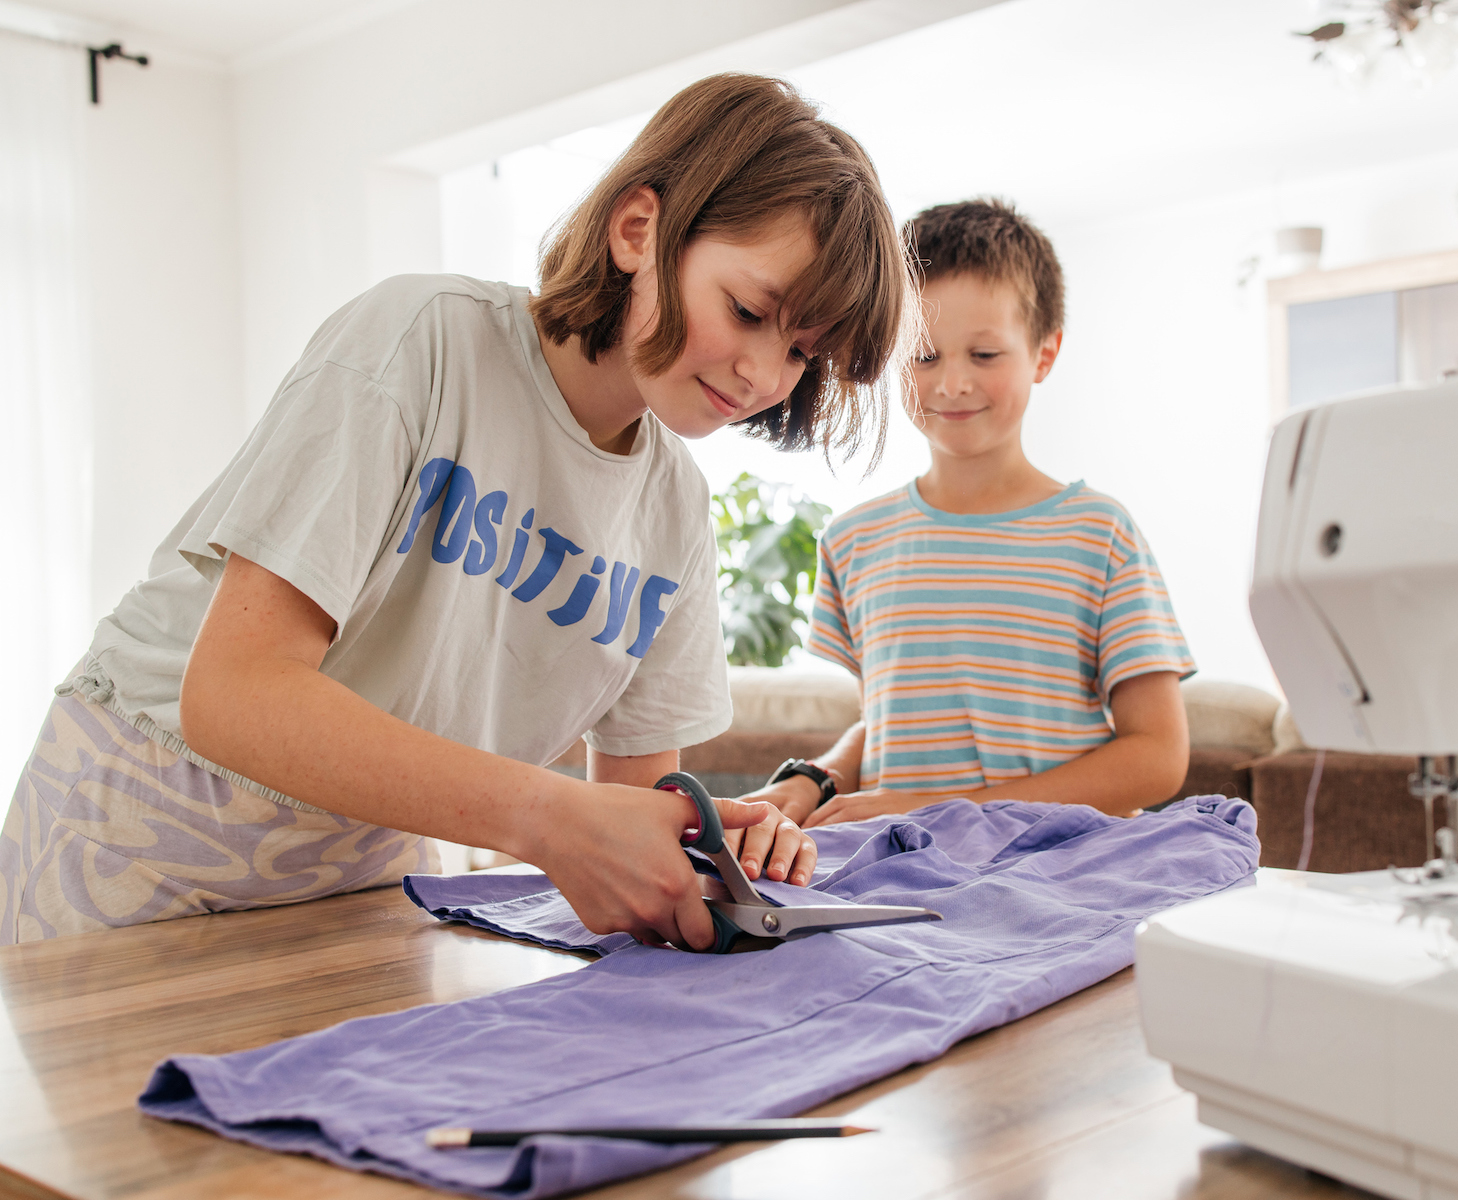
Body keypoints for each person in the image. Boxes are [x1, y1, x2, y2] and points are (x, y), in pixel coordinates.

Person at [0, 74, 915, 950]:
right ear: (638, 228)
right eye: (749, 309)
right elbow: (234, 694)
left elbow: (633, 822)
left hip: (361, 865)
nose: (765, 376)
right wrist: (549, 817)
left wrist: (717, 853)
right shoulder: (420, 341)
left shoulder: (674, 510)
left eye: (802, 351)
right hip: (143, 823)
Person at [741, 199, 1192, 835]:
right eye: (924, 356)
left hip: (1071, 874)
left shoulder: (1100, 534)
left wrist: (948, 811)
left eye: (984, 355)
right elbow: (902, 719)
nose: (951, 384)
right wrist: (819, 774)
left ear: (1044, 352)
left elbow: (1158, 757)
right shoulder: (853, 542)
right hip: (912, 877)